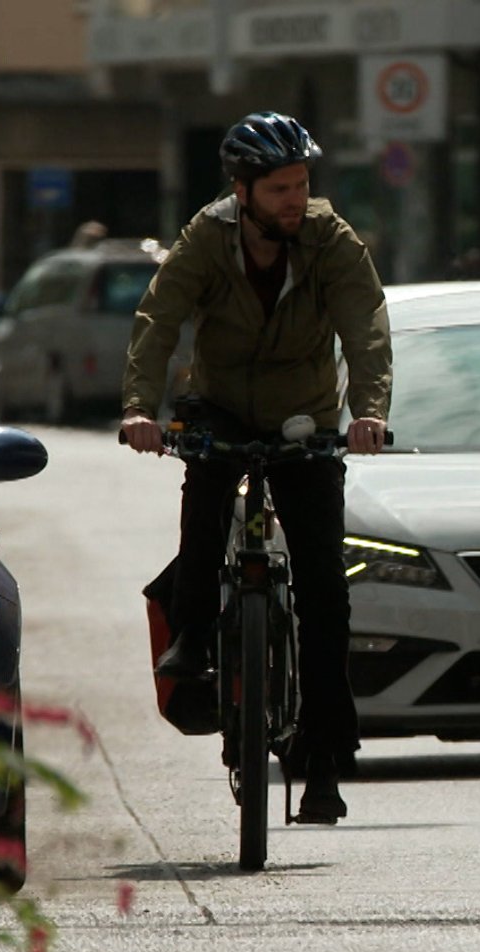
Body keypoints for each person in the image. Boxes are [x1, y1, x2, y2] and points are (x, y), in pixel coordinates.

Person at [118, 111, 392, 825]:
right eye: (277, 188)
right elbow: (158, 320)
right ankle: (192, 636)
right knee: (204, 501)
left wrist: (369, 412)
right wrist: (140, 409)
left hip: (305, 413)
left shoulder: (332, 241)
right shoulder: (206, 240)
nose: (293, 199)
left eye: (300, 184)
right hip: (221, 406)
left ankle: (325, 759)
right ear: (242, 190)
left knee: (325, 588)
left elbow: (366, 328)